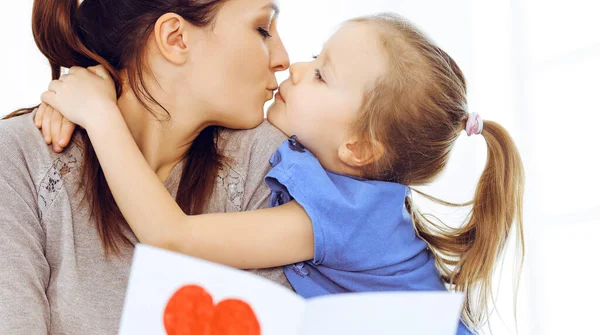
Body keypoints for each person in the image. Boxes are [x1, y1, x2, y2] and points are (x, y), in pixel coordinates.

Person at [41, 13, 525, 334]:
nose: (294, 66)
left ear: (358, 148)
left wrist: (102, 118)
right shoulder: (334, 178)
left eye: (321, 74)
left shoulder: (343, 214)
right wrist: (106, 80)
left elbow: (172, 236)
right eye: (316, 55)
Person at [0, 0, 293, 334]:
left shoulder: (272, 164)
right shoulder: (21, 159)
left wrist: (99, 114)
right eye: (262, 29)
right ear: (175, 38)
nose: (284, 59)